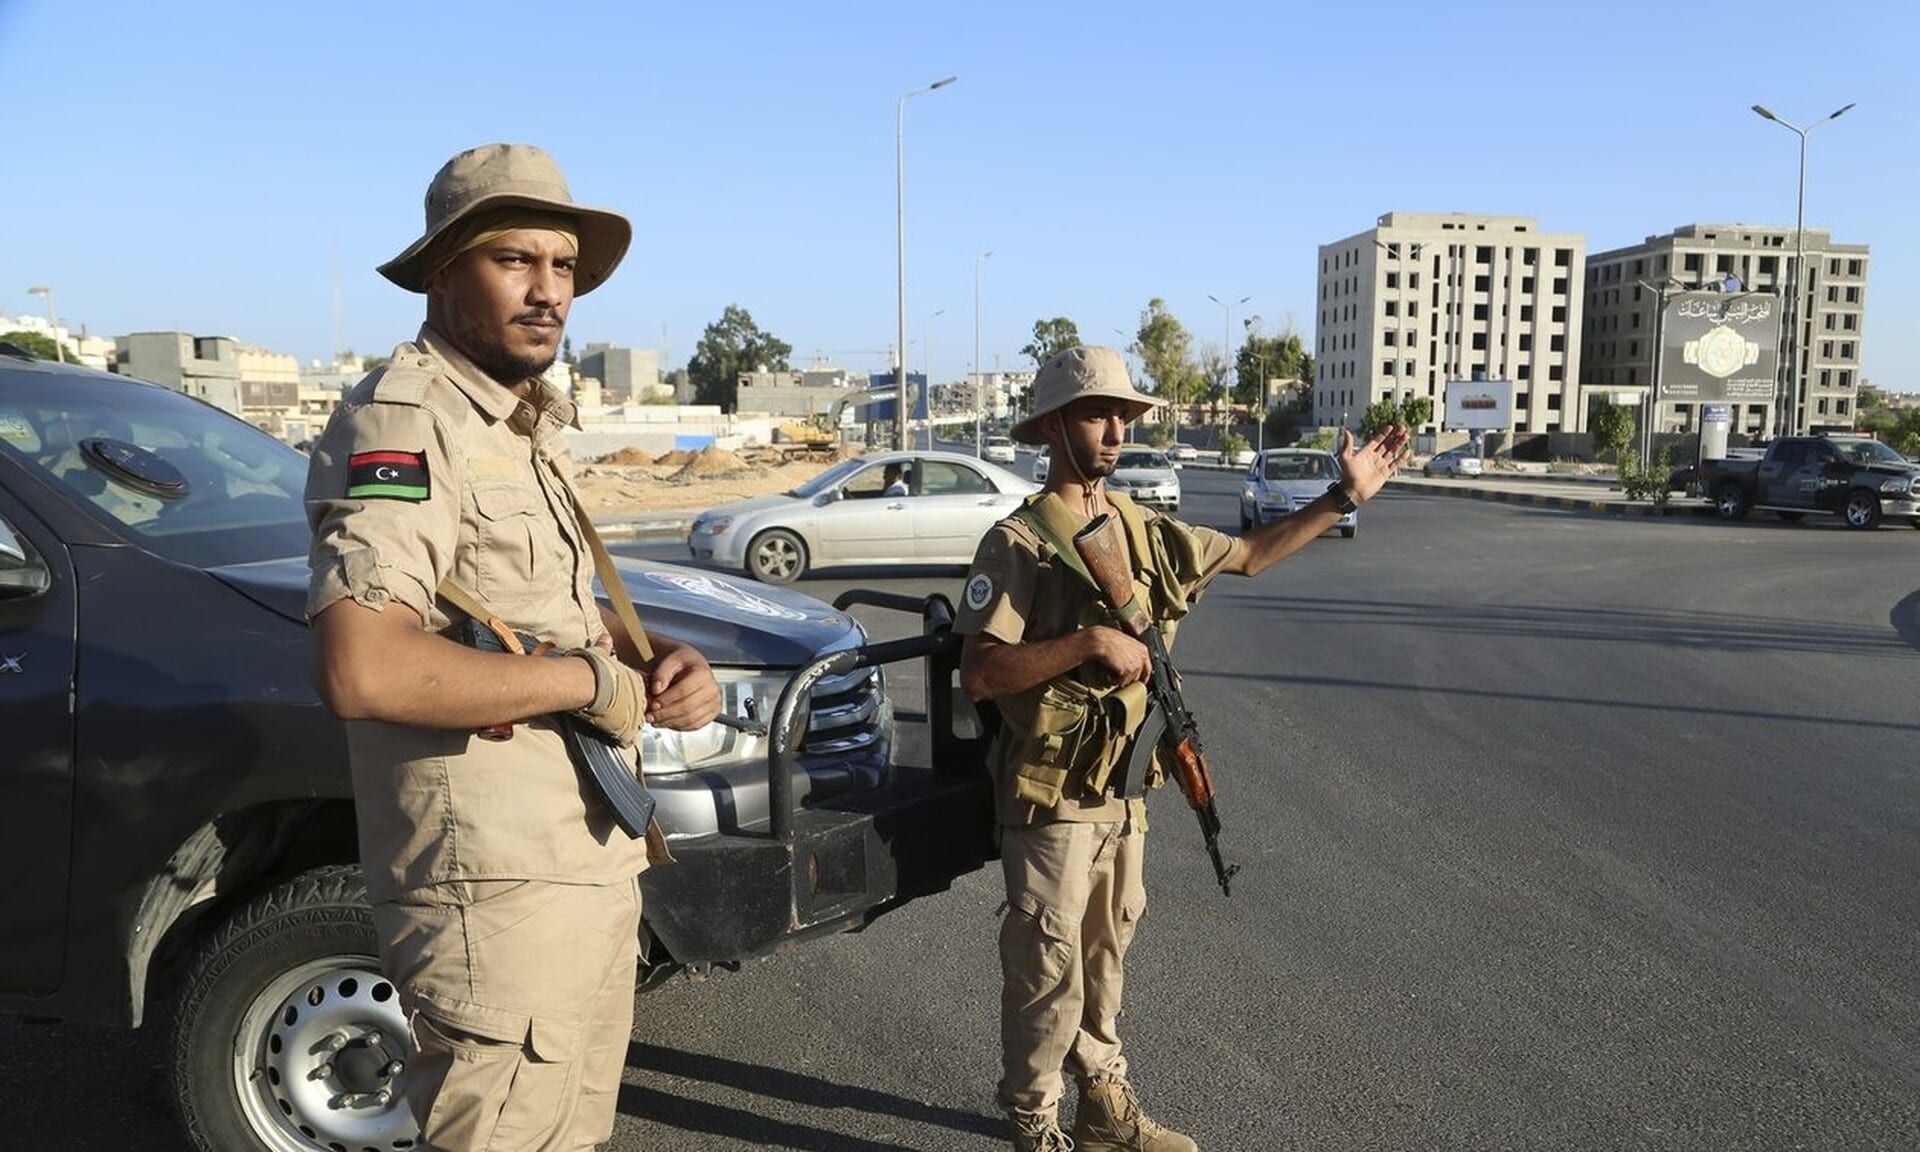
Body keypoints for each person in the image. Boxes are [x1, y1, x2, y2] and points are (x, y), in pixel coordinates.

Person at [305, 143, 722, 1152]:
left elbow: (542, 606)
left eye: (564, 266)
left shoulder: (520, 425)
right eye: (515, 261)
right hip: (492, 894)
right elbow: (364, 666)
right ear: (443, 271)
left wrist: (658, 654)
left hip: (583, 860)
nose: (550, 292)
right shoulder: (404, 417)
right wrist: (589, 682)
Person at [956, 345, 1408, 1152]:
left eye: (1124, 417)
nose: (1117, 432)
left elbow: (1252, 556)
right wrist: (1087, 641)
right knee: (1045, 972)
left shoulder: (1141, 527)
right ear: (1054, 426)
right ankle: (1034, 1124)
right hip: (1053, 799)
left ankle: (1102, 1108)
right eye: (1099, 415)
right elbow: (982, 673)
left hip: (1123, 791)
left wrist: (1344, 496)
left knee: (1104, 960)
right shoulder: (1018, 543)